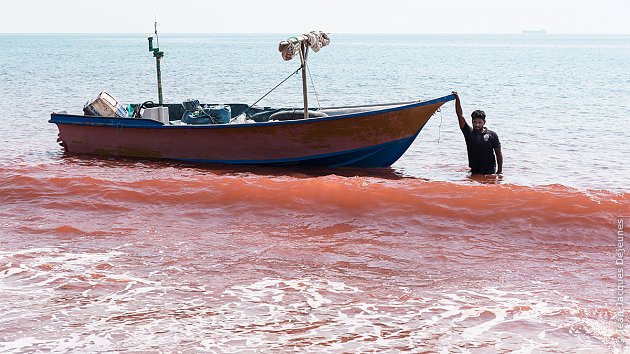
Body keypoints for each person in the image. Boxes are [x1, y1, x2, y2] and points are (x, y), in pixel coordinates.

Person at [452, 91, 503, 175]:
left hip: (489, 170)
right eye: (474, 122)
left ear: (484, 122)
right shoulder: (468, 132)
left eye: (480, 123)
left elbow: (499, 154)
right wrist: (457, 99)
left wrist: (499, 172)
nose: (477, 125)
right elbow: (459, 115)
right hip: (474, 170)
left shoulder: (492, 135)